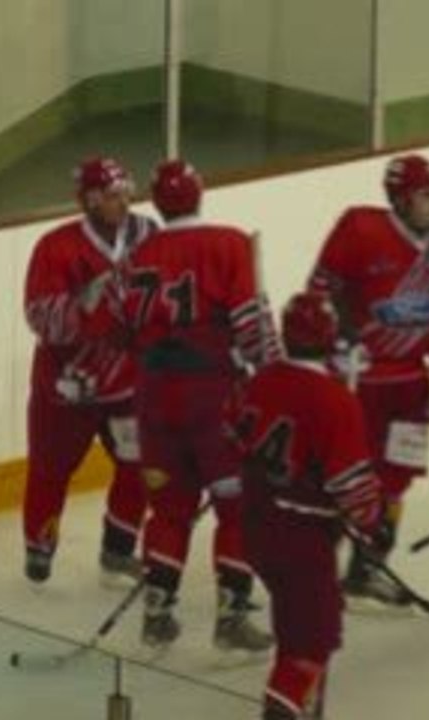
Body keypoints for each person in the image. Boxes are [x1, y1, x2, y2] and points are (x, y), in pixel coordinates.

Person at [123, 159, 279, 651]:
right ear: (200, 193)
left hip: (152, 403)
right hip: (212, 402)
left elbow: (120, 332)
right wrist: (274, 381)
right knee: (240, 509)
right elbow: (253, 328)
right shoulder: (230, 244)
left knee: (168, 510)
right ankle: (232, 618)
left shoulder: (136, 254)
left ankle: (157, 613)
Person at [307, 153, 429, 605]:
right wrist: (334, 339)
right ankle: (316, 570)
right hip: (356, 381)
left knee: (396, 478)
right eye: (424, 195)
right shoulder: (358, 229)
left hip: (409, 386)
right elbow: (320, 290)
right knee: (343, 477)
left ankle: (368, 566)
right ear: (398, 199)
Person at [229, 292, 385, 720]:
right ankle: (286, 708)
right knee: (311, 641)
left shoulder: (260, 381)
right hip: (302, 539)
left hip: (255, 524)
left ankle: (305, 708)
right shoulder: (335, 401)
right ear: (331, 337)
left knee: (295, 622)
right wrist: (370, 522)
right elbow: (351, 485)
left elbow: (235, 436)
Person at [22, 156, 155, 584]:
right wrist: (87, 303)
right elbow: (39, 316)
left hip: (128, 383)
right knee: (49, 469)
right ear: (90, 201)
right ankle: (39, 547)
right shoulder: (55, 246)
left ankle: (117, 550)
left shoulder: (148, 233)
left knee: (140, 462)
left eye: (124, 193)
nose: (124, 202)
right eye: (113, 196)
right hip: (66, 387)